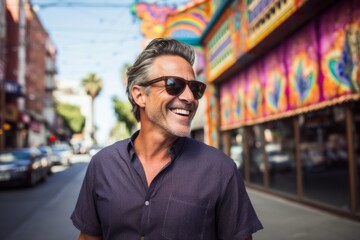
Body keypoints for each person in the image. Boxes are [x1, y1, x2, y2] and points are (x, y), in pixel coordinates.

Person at [71, 38, 263, 240]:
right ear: (139, 96)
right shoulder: (103, 164)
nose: (190, 98)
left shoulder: (221, 170)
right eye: (174, 84)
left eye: (195, 88)